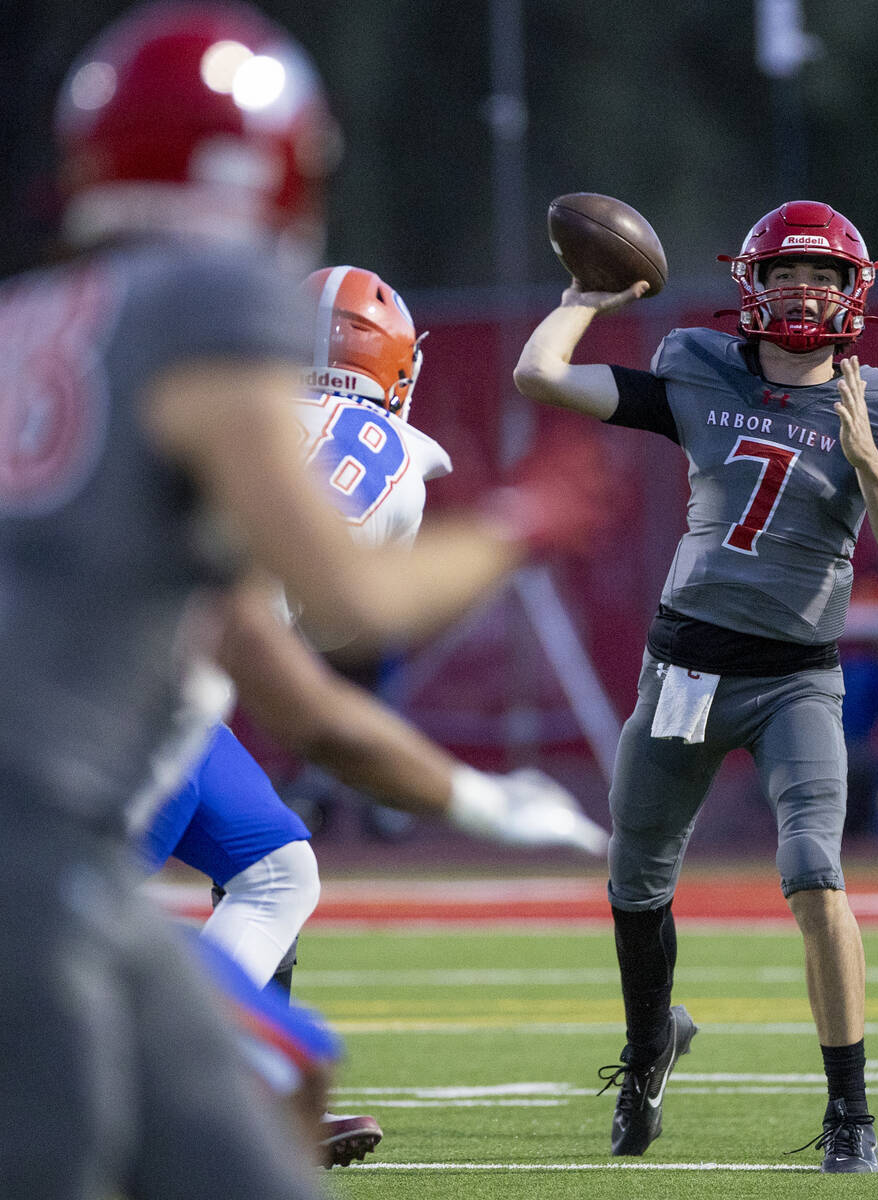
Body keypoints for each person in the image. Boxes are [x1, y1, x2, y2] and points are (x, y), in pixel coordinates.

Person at [0, 4, 605, 1197]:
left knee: (247, 1121)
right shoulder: (203, 309)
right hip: (42, 840)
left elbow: (280, 679)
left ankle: (249, 1065)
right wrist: (519, 523)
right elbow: (351, 601)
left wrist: (472, 798)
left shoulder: (30, 323)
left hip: (76, 810)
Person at [514, 200, 878, 1173]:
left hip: (795, 679)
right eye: (787, 272)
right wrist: (585, 294)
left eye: (823, 276)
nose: (804, 289)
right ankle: (648, 1052)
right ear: (751, 286)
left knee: (813, 874)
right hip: (683, 670)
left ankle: (849, 1114)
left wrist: (867, 457)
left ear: (854, 291)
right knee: (635, 882)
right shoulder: (700, 375)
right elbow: (535, 375)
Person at [144, 267, 607, 1163]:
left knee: (278, 868)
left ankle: (247, 1093)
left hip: (141, 682)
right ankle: (178, 1084)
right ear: (394, 364)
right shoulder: (390, 453)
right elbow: (333, 627)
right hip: (118, 709)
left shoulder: (228, 407)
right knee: (66, 939)